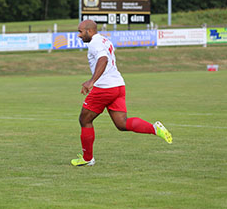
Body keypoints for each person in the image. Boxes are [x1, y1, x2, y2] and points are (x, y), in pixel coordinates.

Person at [71, 20, 172, 167]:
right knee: (122, 123)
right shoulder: (105, 41)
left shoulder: (94, 43)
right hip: (118, 86)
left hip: (104, 88)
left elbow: (103, 59)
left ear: (90, 31)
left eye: (80, 32)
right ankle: (154, 128)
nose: (79, 35)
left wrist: (92, 81)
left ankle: (87, 158)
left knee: (84, 120)